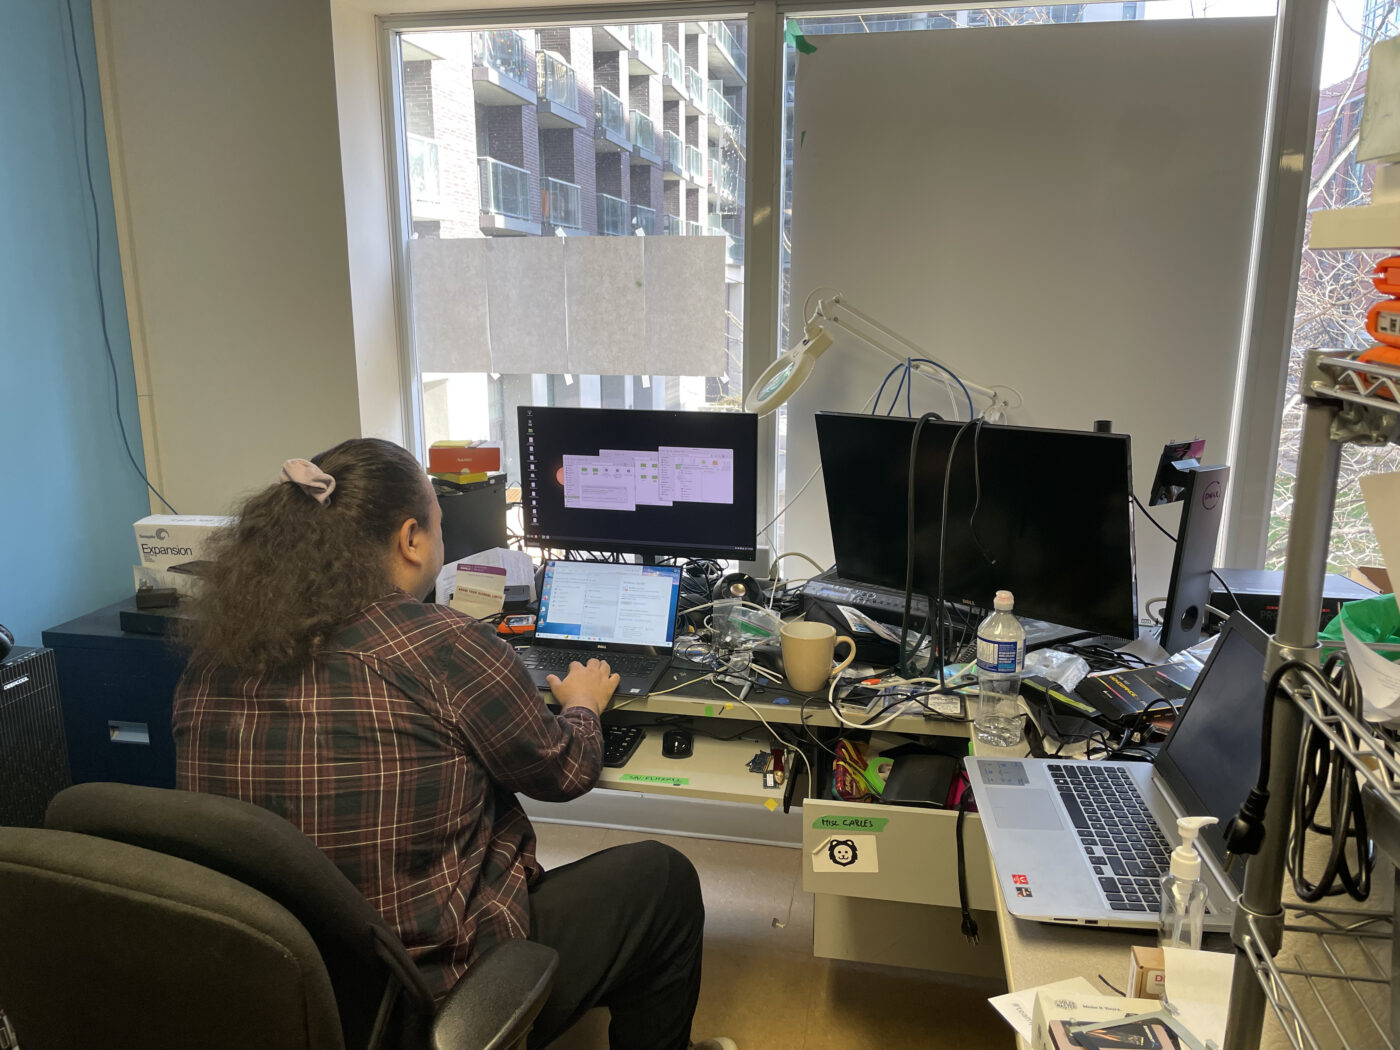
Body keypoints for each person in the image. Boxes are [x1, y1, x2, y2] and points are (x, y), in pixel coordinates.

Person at [173, 437, 735, 1050]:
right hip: (430, 999)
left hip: (284, 996)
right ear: (411, 538)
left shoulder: (215, 658)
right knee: (664, 880)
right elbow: (565, 773)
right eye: (440, 524)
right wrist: (581, 705)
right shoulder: (442, 644)